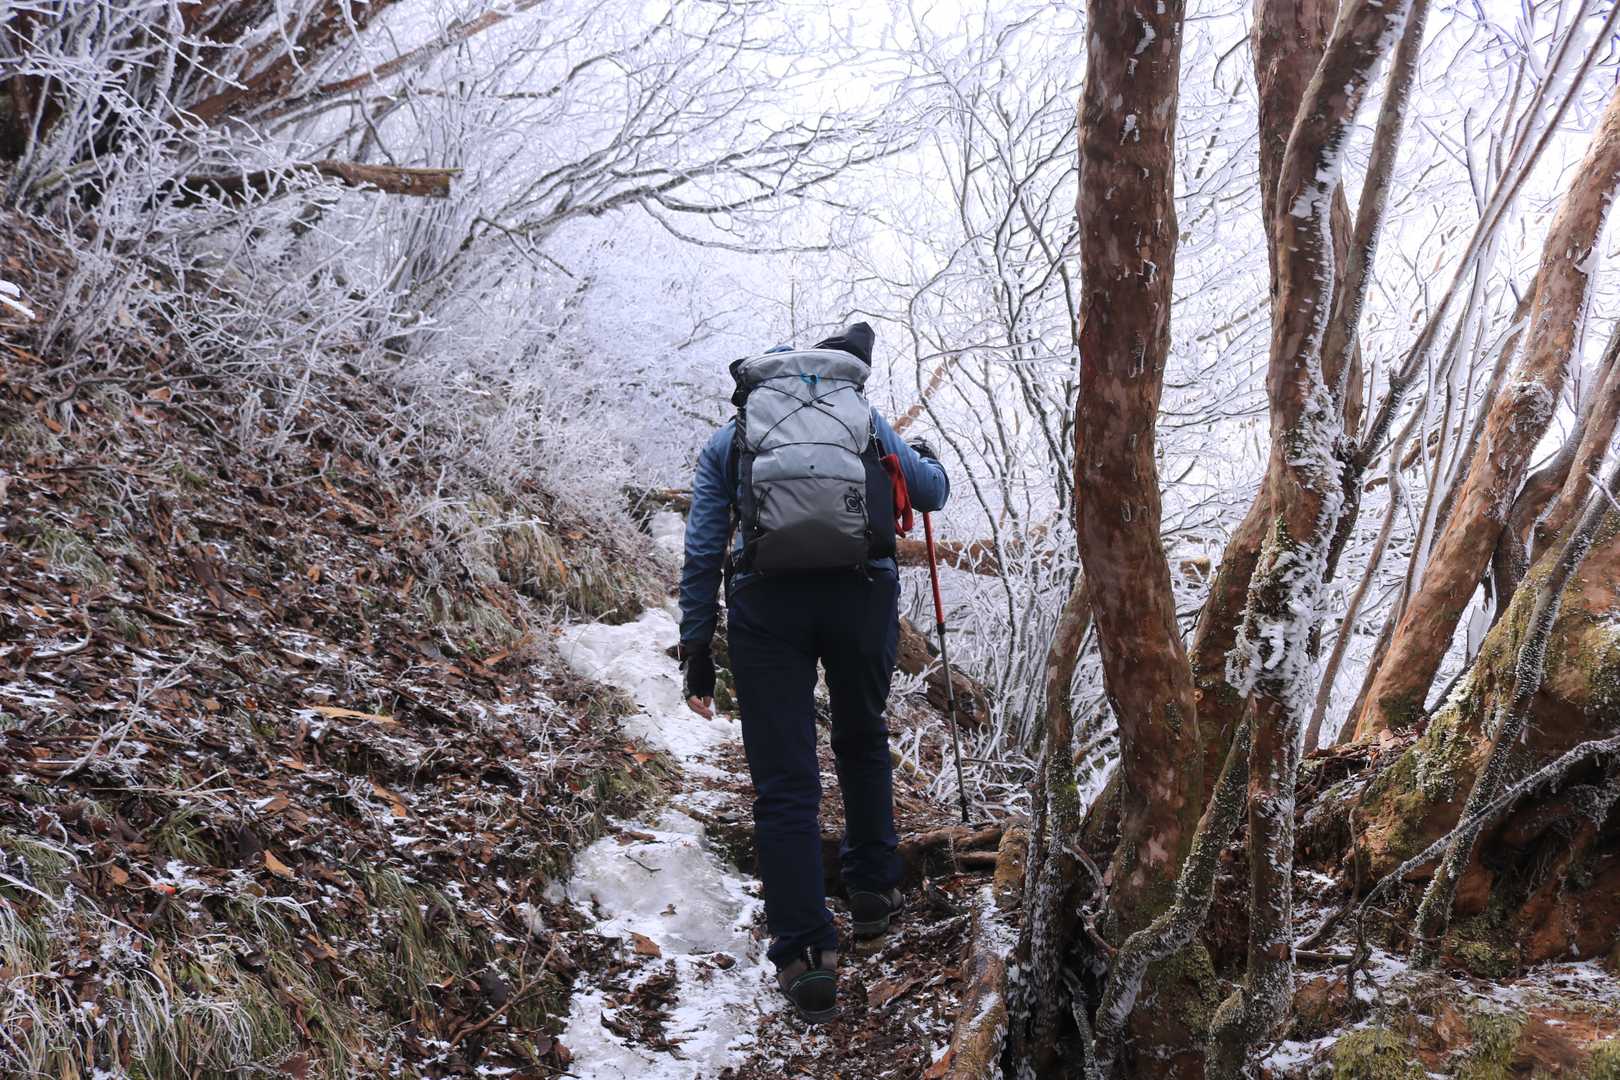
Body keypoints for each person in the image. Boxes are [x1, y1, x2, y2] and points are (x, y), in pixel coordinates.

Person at [676, 321, 949, 1023]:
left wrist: (697, 646)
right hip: (861, 596)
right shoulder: (865, 422)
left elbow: (703, 547)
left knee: (785, 780)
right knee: (861, 738)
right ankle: (873, 889)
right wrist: (925, 457)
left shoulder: (735, 435)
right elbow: (930, 494)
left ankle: (804, 955)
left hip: (767, 605)